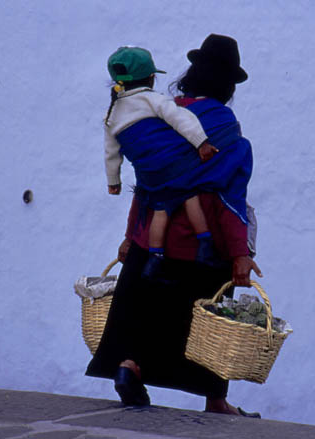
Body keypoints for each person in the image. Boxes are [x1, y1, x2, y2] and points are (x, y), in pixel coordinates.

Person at [87, 34, 262, 416]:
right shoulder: (222, 123)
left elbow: (148, 179)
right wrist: (239, 254)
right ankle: (215, 400)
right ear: (228, 85)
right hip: (199, 247)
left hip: (151, 236)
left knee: (145, 311)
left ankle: (129, 366)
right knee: (206, 323)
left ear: (190, 75)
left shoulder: (156, 111)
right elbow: (229, 194)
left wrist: (130, 237)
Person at [104, 46, 222, 280]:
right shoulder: (151, 99)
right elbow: (181, 118)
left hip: (150, 175)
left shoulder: (111, 115)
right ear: (151, 78)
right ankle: (205, 242)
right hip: (174, 165)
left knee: (160, 210)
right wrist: (201, 143)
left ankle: (155, 258)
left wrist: (113, 182)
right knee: (190, 197)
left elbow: (111, 154)